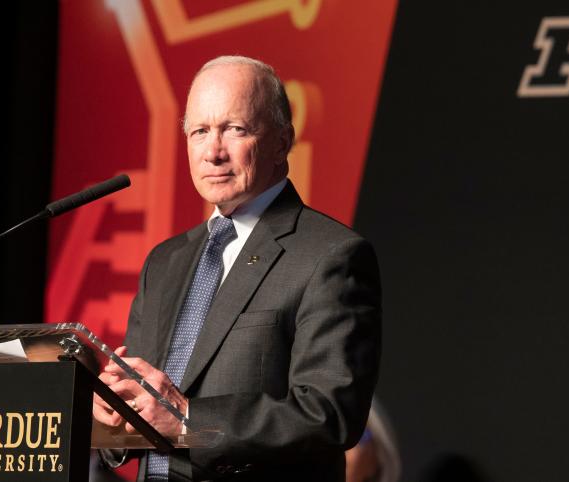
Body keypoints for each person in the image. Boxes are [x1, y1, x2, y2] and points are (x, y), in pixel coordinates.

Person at [92, 55, 382, 481]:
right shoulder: (165, 261)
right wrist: (114, 416)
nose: (213, 151)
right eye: (199, 132)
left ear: (282, 141)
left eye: (234, 129)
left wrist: (190, 420)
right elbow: (148, 410)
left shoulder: (332, 255)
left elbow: (330, 414)